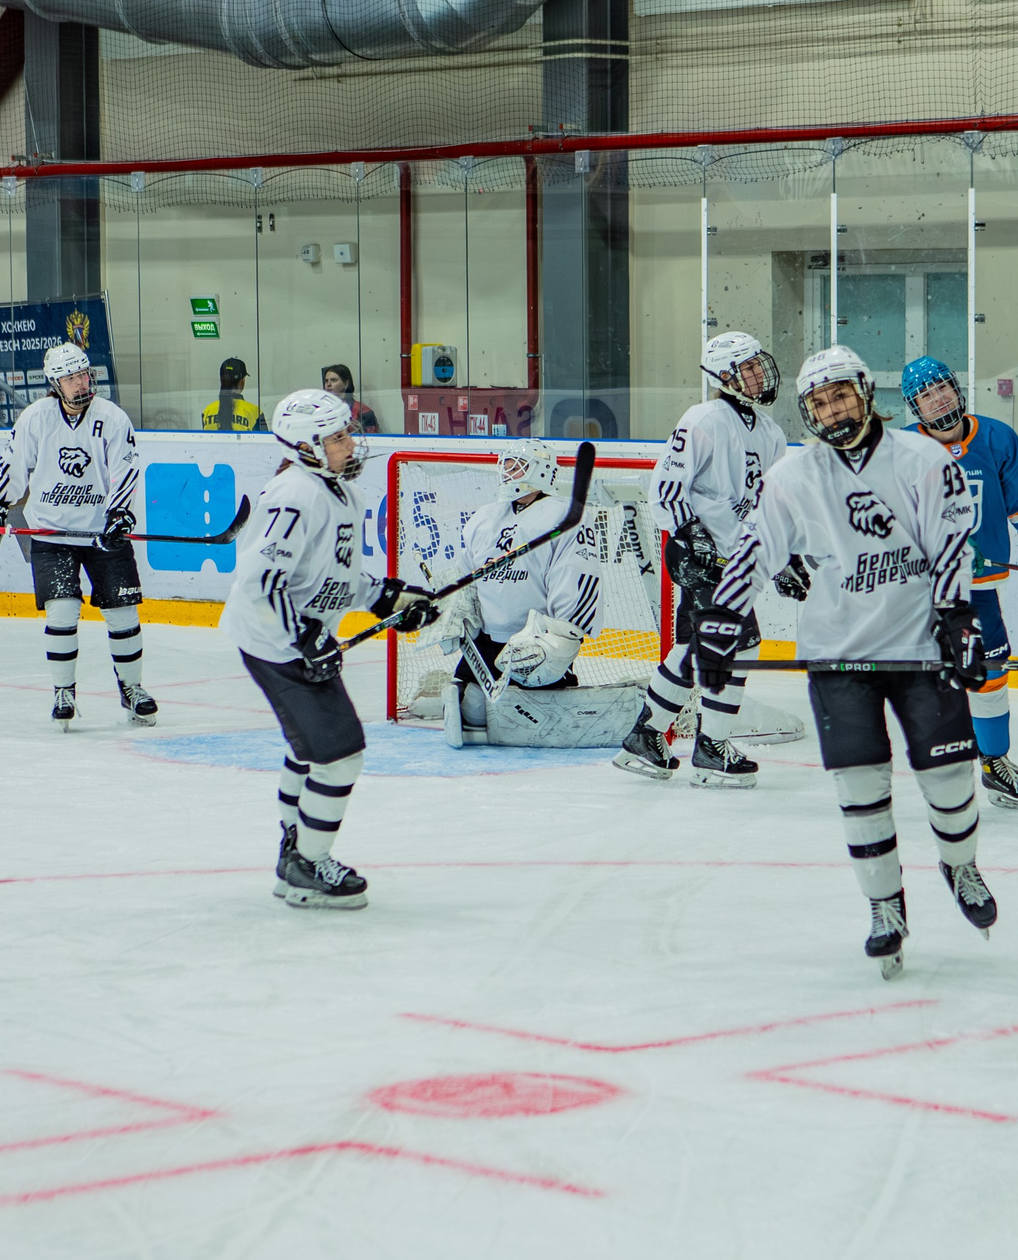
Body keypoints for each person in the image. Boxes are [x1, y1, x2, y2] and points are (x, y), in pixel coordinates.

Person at [701, 344, 987, 977]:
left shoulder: (923, 460)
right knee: (860, 789)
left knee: (950, 781)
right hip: (838, 653)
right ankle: (885, 907)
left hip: (918, 647)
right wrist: (723, 617)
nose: (832, 411)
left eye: (841, 396)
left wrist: (956, 617)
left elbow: (951, 543)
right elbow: (755, 547)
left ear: (865, 391)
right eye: (819, 403)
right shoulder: (793, 477)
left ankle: (960, 863)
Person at [218, 389, 435, 909]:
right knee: (340, 755)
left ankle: (294, 851)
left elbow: (329, 576)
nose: (350, 443)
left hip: (290, 638)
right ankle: (307, 865)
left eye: (347, 432)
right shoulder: (297, 494)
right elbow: (260, 579)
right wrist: (305, 637)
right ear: (308, 446)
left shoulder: (337, 492)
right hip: (276, 643)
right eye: (337, 436)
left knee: (311, 750)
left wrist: (385, 597)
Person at [896, 354, 1018, 809]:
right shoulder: (898, 449)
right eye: (925, 395)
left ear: (956, 388)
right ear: (914, 407)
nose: (936, 398)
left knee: (990, 671)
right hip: (916, 588)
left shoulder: (998, 437)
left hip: (977, 586)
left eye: (941, 387)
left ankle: (994, 763)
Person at [614, 329, 789, 787]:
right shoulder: (703, 419)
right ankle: (711, 747)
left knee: (697, 646)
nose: (757, 375)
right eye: (746, 368)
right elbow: (668, 486)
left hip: (736, 558)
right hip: (699, 551)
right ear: (722, 377)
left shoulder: (770, 433)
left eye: (757, 365)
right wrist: (692, 539)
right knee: (735, 642)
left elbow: (772, 502)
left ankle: (647, 735)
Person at [0, 341, 157, 729]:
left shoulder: (112, 418)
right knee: (62, 610)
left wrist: (120, 514)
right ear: (55, 383)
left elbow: (125, 470)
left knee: (122, 611)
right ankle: (64, 692)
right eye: (70, 378)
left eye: (83, 374)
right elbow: (14, 466)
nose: (79, 383)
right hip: (52, 533)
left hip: (101, 533)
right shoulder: (36, 418)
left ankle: (132, 688)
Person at [426, 444, 639, 746]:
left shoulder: (562, 516)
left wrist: (562, 638)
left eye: (516, 465)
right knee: (470, 707)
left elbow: (576, 577)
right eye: (506, 464)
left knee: (532, 714)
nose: (507, 471)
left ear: (541, 471)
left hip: (535, 643)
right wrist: (456, 612)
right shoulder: (484, 518)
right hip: (487, 641)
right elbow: (468, 576)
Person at [200, 357, 263, 432]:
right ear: (242, 381)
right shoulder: (254, 412)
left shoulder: (207, 411)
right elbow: (265, 441)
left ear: (221, 380)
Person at [320, 364, 380, 434]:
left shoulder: (362, 411)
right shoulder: (321, 411)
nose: (328, 384)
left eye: (333, 380)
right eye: (326, 381)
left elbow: (372, 439)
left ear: (346, 384)